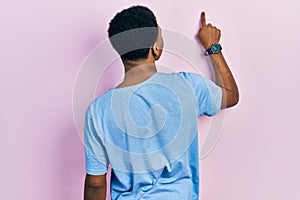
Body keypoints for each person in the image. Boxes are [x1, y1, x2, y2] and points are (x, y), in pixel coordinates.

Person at [84, 5, 239, 200]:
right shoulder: (188, 87)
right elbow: (231, 95)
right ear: (156, 49)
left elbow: (95, 185)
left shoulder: (98, 111)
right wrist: (213, 47)